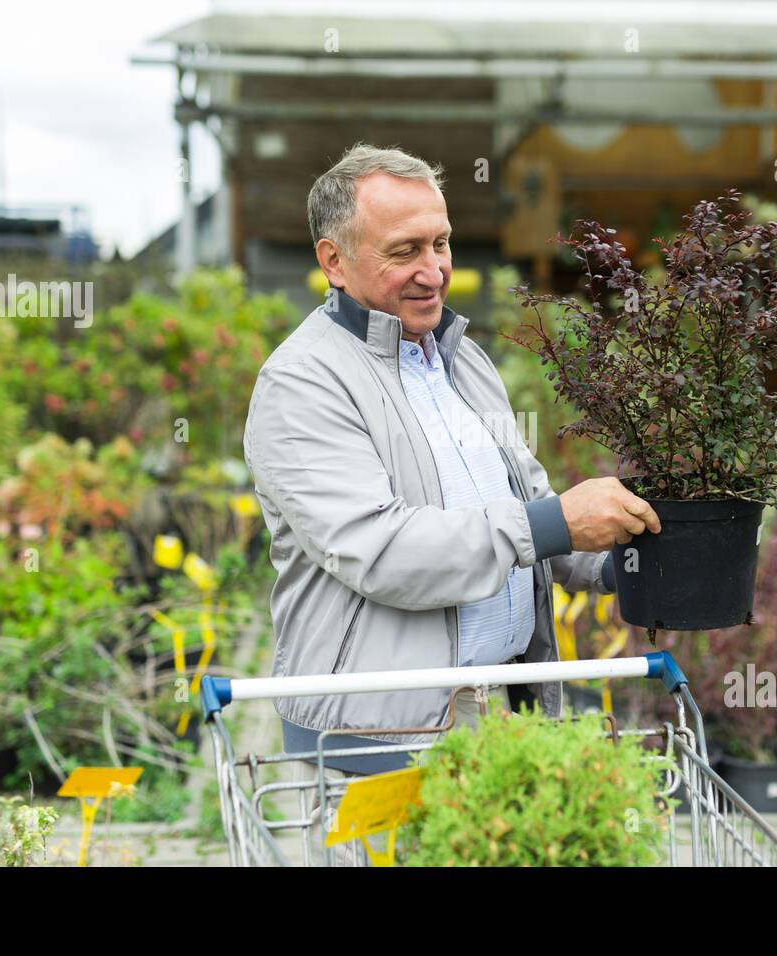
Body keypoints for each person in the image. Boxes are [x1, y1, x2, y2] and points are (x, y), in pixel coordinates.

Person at [244, 143, 661, 865]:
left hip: (488, 722)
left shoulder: (459, 358)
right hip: (371, 748)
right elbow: (383, 551)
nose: (433, 270)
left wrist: (636, 558)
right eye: (404, 250)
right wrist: (557, 521)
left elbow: (526, 504)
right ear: (333, 261)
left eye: (440, 243)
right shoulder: (301, 385)